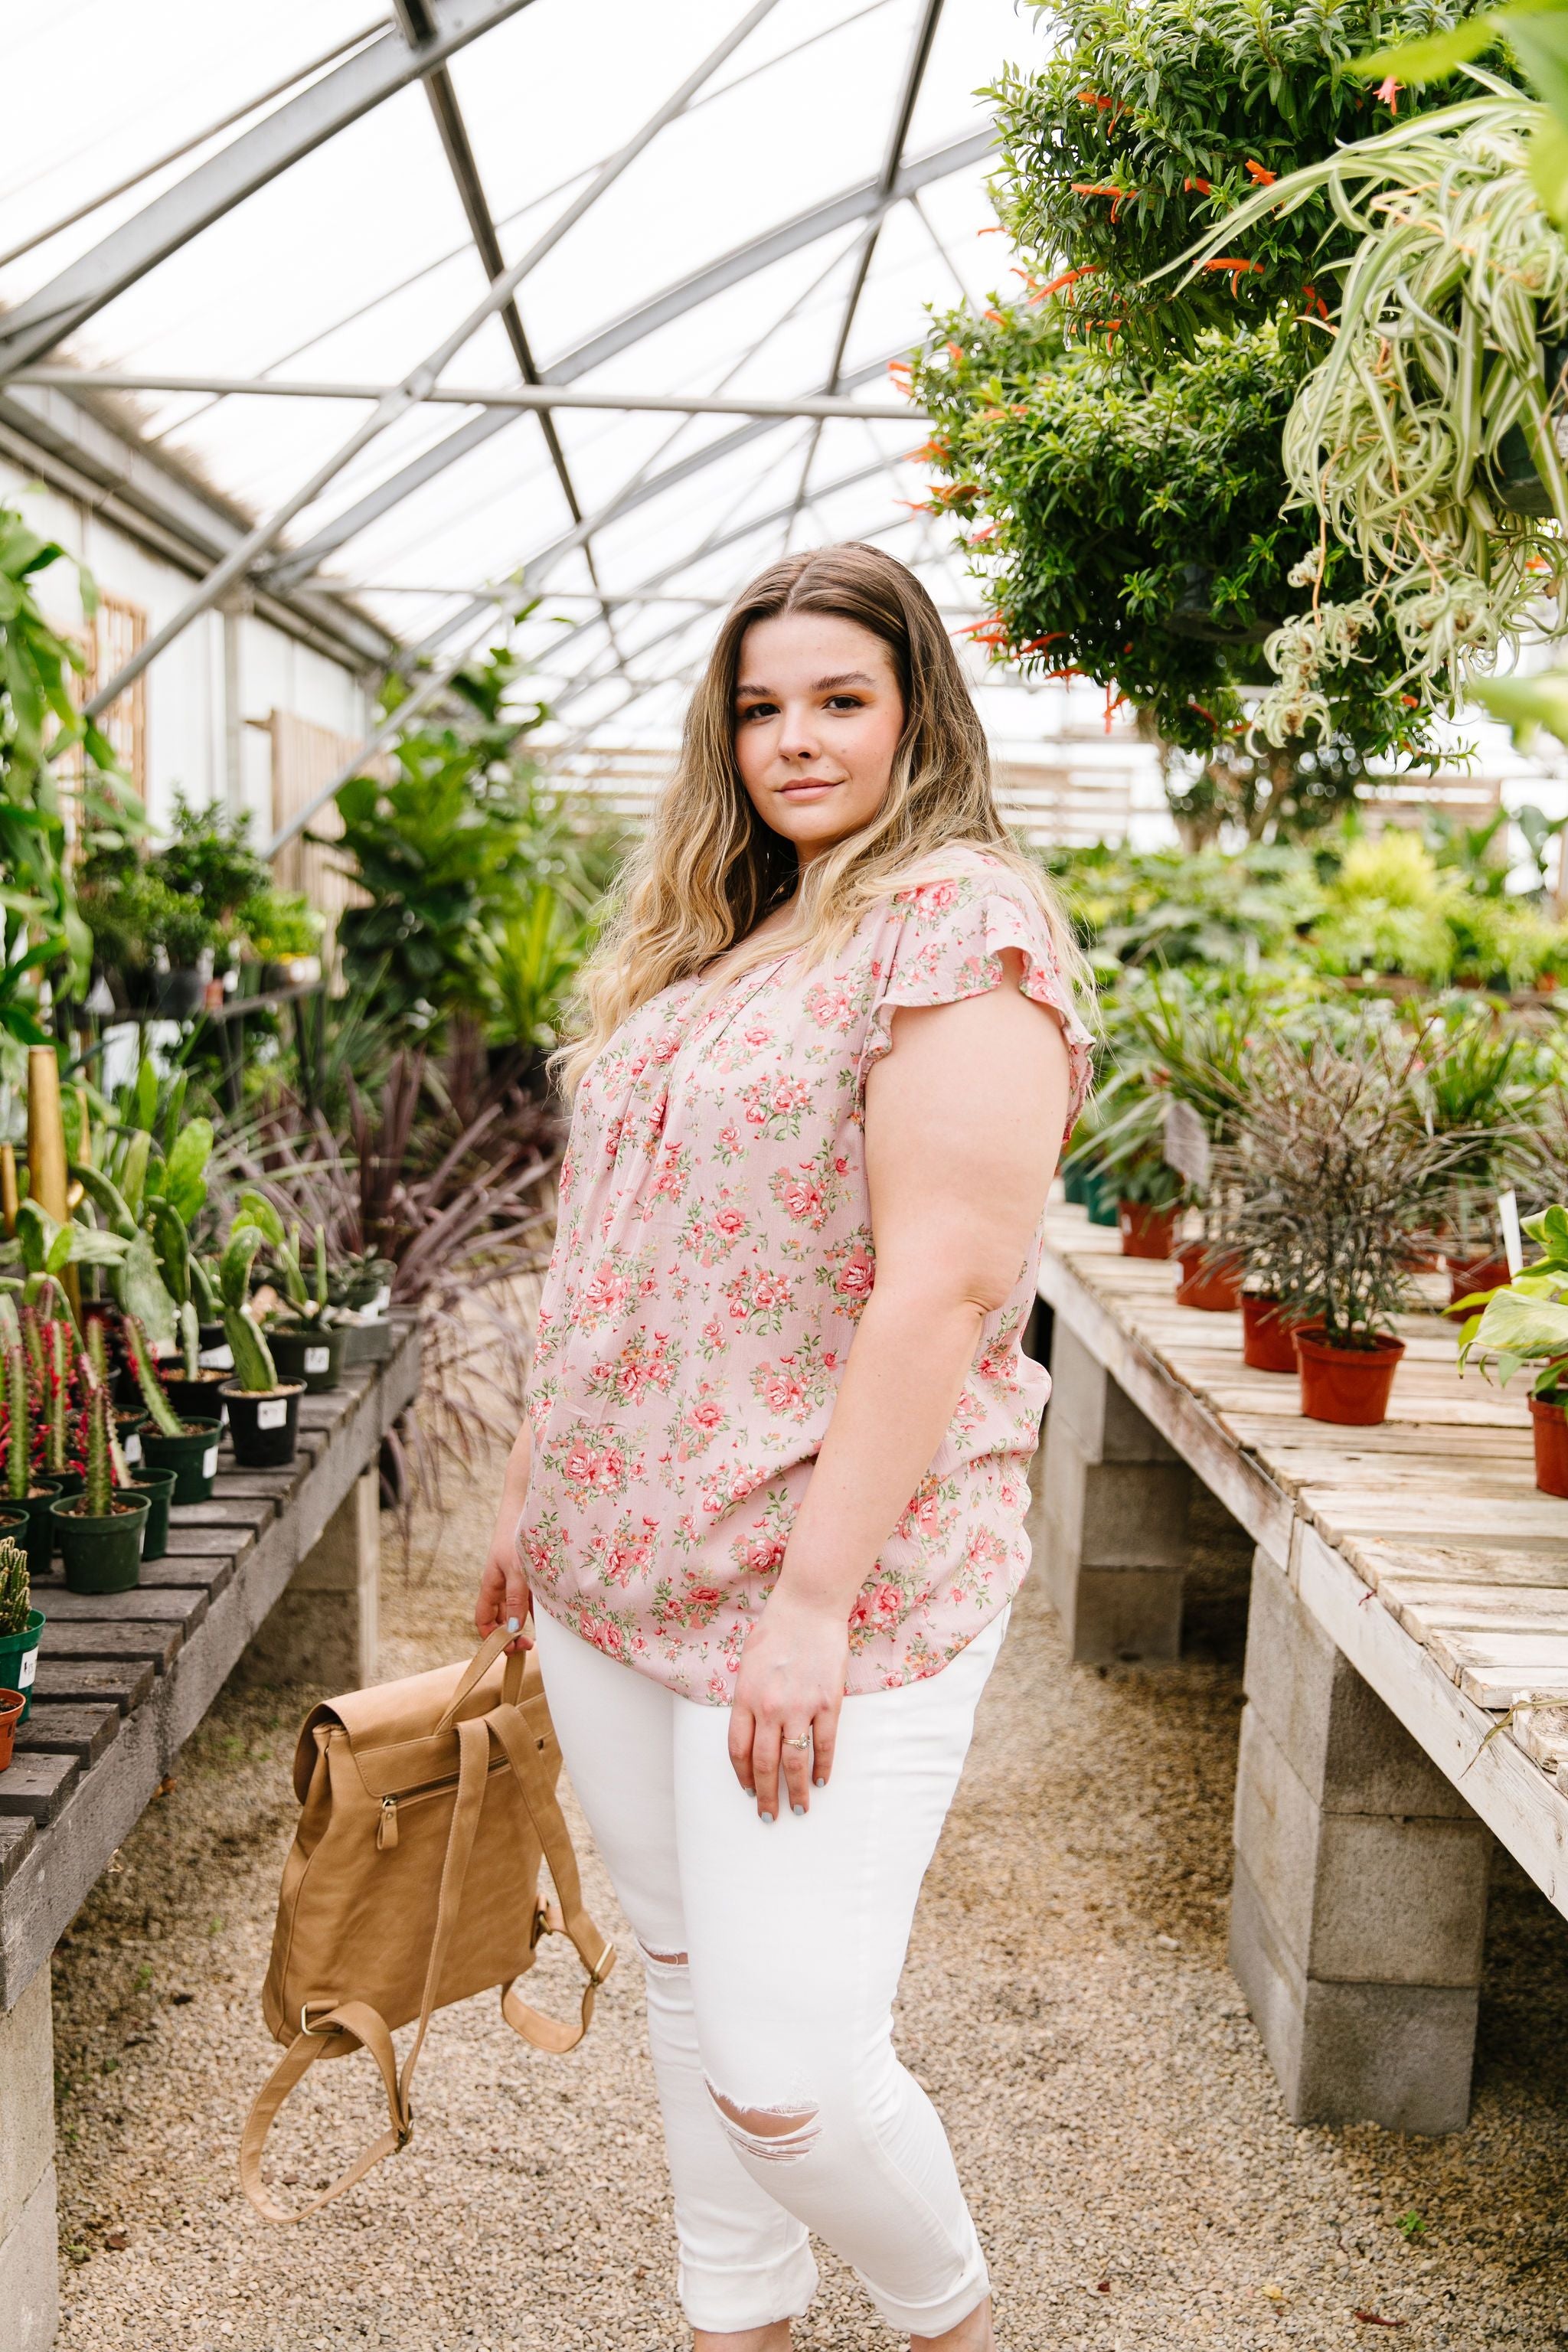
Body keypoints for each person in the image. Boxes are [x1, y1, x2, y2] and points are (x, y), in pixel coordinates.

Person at [477, 543, 1092, 2352]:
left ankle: (946, 2318)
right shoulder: (732, 929)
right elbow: (615, 1252)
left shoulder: (954, 920)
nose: (795, 741)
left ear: (917, 711)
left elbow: (943, 1289)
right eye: (760, 708)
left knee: (788, 2074)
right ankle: (728, 2320)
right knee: (680, 1988)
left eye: (840, 700)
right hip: (615, 1567)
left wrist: (810, 1607)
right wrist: (535, 1487)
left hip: (825, 1585)